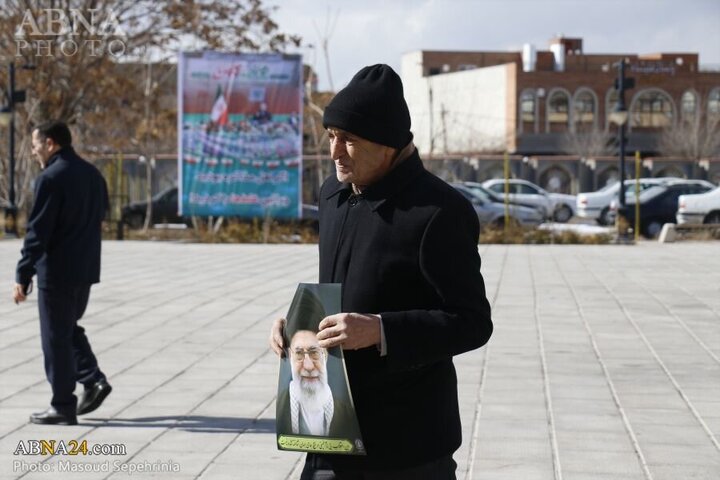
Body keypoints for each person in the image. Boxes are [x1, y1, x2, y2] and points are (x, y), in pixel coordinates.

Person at [269, 64, 493, 479]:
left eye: (349, 140)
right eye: (332, 136)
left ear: (389, 145)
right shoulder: (333, 196)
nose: (335, 152)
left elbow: (472, 322)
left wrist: (380, 330)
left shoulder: (440, 212)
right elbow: (341, 289)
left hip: (407, 447)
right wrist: (298, 325)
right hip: (328, 434)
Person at [12, 121, 112, 425]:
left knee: (55, 338)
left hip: (56, 273)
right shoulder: (93, 175)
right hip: (85, 270)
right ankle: (93, 379)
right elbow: (101, 217)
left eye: (36, 144)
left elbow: (38, 231)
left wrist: (23, 273)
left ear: (51, 143)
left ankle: (63, 405)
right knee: (67, 329)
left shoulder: (51, 178)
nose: (33, 150)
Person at [276, 330, 356, 438]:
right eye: (299, 354)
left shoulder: (345, 412)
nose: (308, 366)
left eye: (314, 353)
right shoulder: (282, 406)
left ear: (325, 355)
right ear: (290, 357)